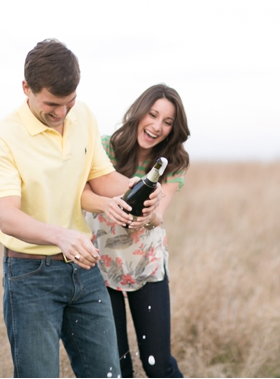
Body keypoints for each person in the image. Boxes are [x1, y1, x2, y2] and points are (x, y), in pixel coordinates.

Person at [0, 39, 162, 378]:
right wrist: (60, 236)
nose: (61, 113)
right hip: (30, 276)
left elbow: (103, 176)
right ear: (26, 88)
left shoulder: (83, 116)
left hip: (85, 272)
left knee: (107, 375)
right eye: (51, 104)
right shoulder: (2, 139)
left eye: (69, 102)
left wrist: (136, 189)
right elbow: (7, 216)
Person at [81, 84, 190, 378]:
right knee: (116, 366)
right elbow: (82, 193)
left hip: (147, 265)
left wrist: (148, 217)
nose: (157, 126)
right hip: (101, 267)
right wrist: (106, 203)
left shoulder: (174, 161)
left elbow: (159, 213)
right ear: (139, 112)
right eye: (153, 115)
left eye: (168, 122)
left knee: (158, 364)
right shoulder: (104, 147)